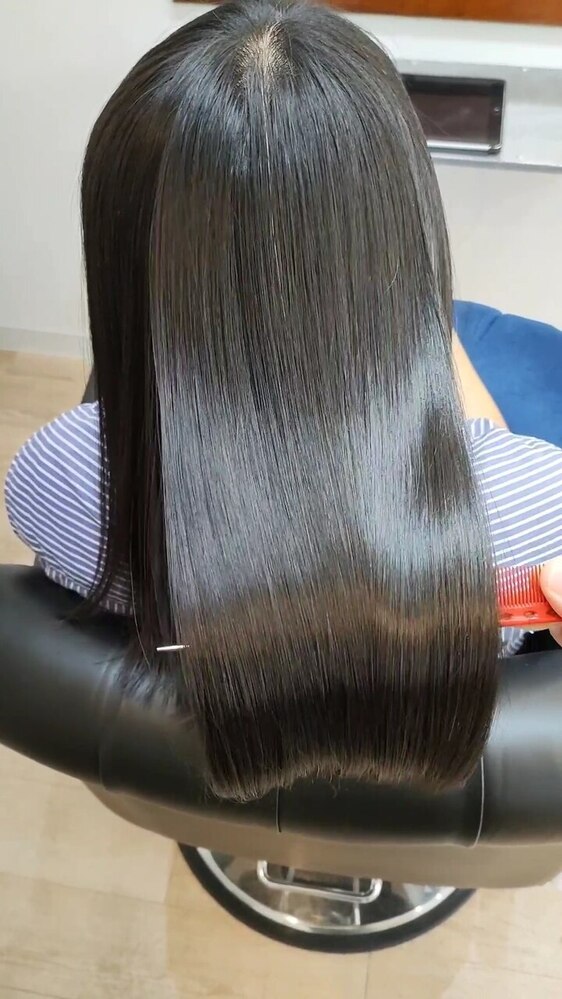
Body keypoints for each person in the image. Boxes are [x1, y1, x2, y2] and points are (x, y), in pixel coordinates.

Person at [5, 0, 562, 802]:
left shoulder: (57, 476)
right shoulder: (537, 504)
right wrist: (424, 322)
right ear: (401, 229)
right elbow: (483, 457)